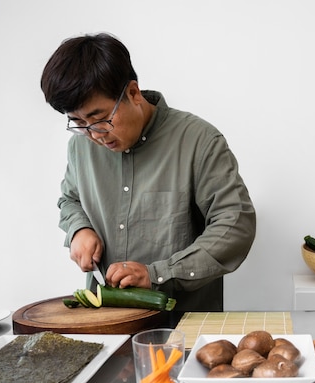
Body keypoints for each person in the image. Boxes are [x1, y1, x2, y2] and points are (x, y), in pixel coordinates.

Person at [41, 32, 257, 324]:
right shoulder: (80, 146)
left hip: (184, 325)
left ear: (133, 93)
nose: (94, 135)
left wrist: (160, 273)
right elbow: (70, 199)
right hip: (104, 322)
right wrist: (79, 229)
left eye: (100, 118)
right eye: (79, 123)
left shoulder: (199, 140)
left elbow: (235, 223)